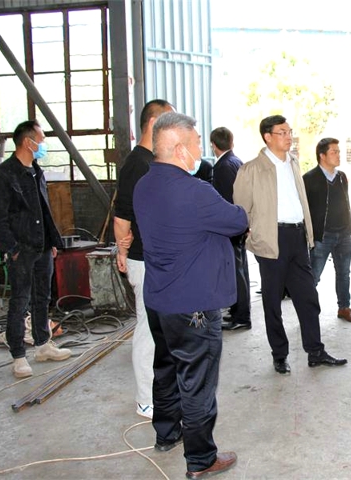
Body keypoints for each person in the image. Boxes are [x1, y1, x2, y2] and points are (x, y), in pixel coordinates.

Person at [134, 112, 246, 476]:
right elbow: (238, 220)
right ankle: (201, 459)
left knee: (166, 368)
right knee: (197, 383)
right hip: (193, 305)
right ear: (180, 149)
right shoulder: (195, 191)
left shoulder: (144, 185)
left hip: (159, 299)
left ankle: (166, 434)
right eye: (197, 143)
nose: (201, 149)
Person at [233, 115, 348, 375]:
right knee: (273, 302)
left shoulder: (293, 162)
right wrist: (253, 234)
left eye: (289, 131)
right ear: (268, 137)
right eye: (282, 132)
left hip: (297, 237)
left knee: (308, 297)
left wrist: (308, 234)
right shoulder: (251, 169)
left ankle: (315, 351)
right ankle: (280, 354)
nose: (289, 137)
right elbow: (240, 209)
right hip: (272, 239)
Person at [0, 120, 70, 378]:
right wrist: (12, 249)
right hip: (21, 250)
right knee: (20, 301)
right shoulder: (2, 176)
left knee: (42, 298)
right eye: (41, 140)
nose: (43, 145)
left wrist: (52, 242)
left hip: (42, 247)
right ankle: (18, 356)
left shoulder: (36, 171)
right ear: (28, 142)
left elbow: (44, 211)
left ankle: (43, 344)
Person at [113, 99, 175, 419]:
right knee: (148, 331)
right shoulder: (137, 164)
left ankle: (161, 391)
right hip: (144, 260)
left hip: (158, 259)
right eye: (169, 121)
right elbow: (122, 216)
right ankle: (145, 399)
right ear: (154, 124)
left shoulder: (154, 161)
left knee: (161, 331)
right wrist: (122, 251)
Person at [303, 137, 351, 324]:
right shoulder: (309, 179)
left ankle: (344, 307)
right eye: (334, 152)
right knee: (313, 276)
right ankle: (307, 312)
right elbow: (305, 209)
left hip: (344, 234)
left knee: (344, 273)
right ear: (322, 155)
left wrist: (348, 229)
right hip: (322, 236)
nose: (338, 155)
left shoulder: (341, 177)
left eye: (338, 151)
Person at [210, 126, 251, 331]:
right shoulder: (236, 161)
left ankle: (241, 316)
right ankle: (238, 311)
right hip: (239, 223)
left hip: (231, 226)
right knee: (240, 269)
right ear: (231, 142)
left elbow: (225, 201)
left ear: (213, 145)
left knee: (236, 272)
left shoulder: (223, 167)